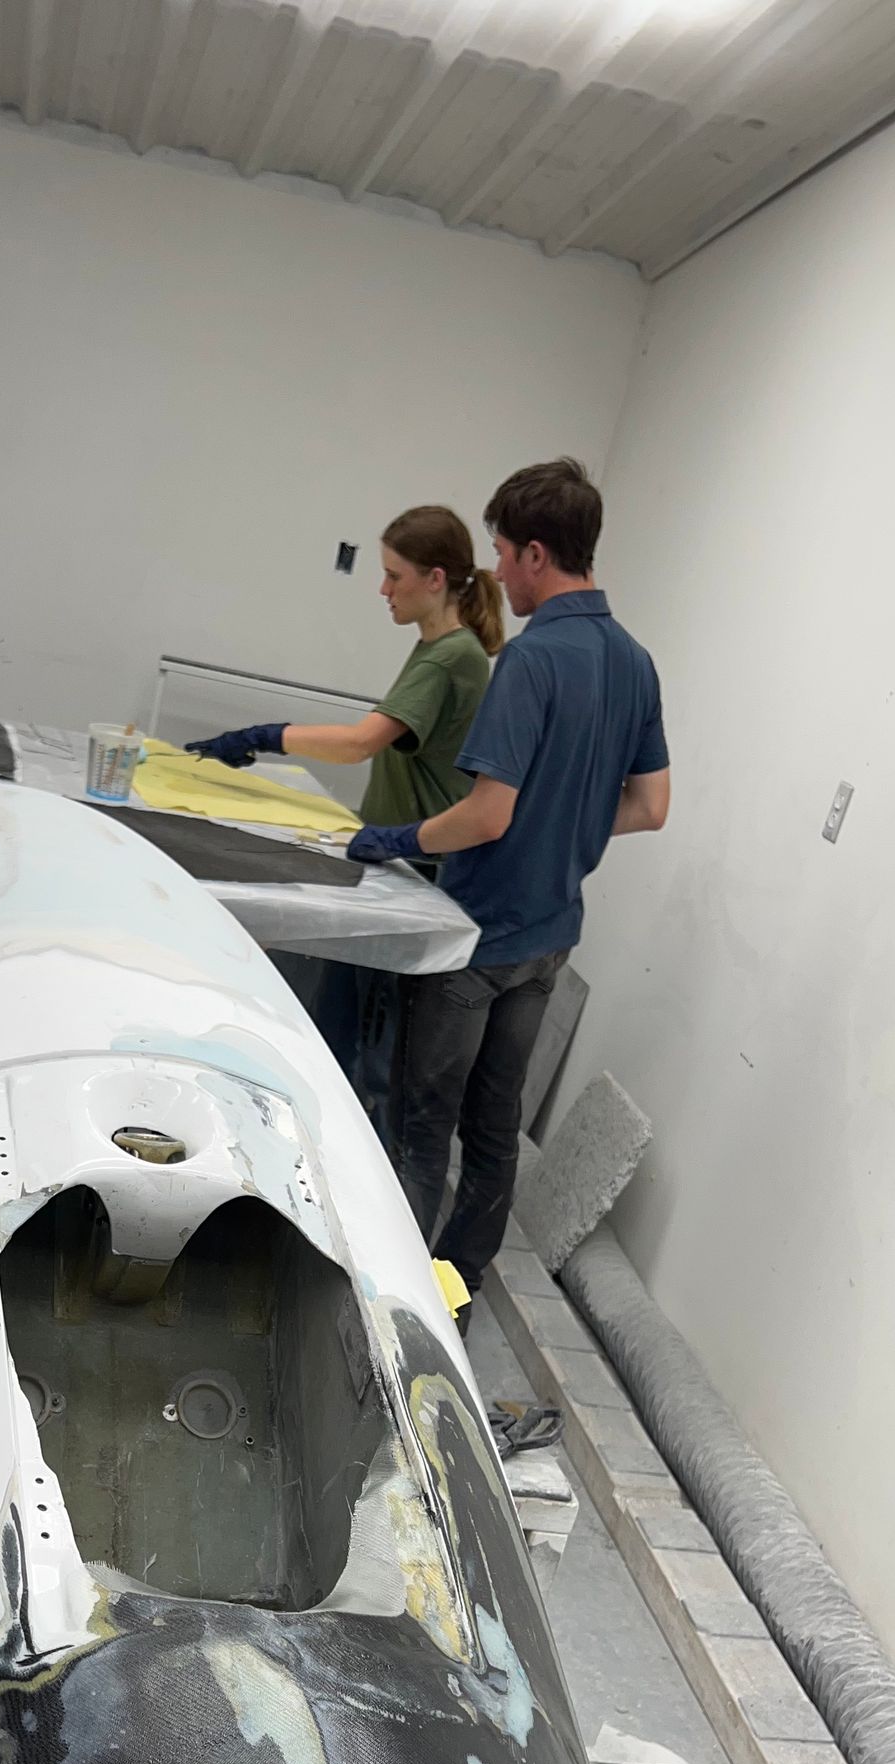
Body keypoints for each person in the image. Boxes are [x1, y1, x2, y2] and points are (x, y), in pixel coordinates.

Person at [346, 457, 670, 1321]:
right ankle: (459, 1288)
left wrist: (396, 840)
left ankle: (395, 1302)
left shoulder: (532, 663)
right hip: (550, 938)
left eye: (499, 552)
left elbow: (485, 817)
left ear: (535, 552)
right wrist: (566, 827)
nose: (496, 572)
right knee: (491, 1132)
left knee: (422, 1126)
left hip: (477, 939)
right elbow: (651, 806)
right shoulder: (634, 663)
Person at [185, 507, 502, 1117]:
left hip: (416, 875)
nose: (384, 590)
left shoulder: (451, 658)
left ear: (435, 579)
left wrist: (265, 735)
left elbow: (361, 742)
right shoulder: (437, 647)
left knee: (363, 1057)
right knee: (337, 1026)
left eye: (394, 576)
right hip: (392, 860)